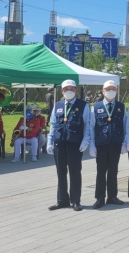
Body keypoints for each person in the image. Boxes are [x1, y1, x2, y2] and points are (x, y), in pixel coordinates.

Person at [47, 80, 91, 211]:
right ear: (62, 91)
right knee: (60, 172)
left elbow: (87, 124)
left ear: (76, 90)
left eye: (71, 88)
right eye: (66, 89)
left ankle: (75, 201)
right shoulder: (58, 105)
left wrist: (85, 140)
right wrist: (50, 141)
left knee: (75, 172)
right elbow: (53, 125)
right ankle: (62, 200)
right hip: (59, 143)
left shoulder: (83, 105)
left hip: (75, 143)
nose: (69, 91)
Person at [89, 80, 127, 209]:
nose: (111, 91)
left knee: (113, 171)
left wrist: (124, 143)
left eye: (113, 89)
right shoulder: (96, 107)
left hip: (115, 143)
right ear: (103, 91)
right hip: (101, 143)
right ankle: (100, 198)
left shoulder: (121, 106)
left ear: (116, 91)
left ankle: (112, 197)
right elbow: (91, 126)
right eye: (108, 89)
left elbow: (124, 124)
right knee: (101, 171)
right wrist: (92, 144)